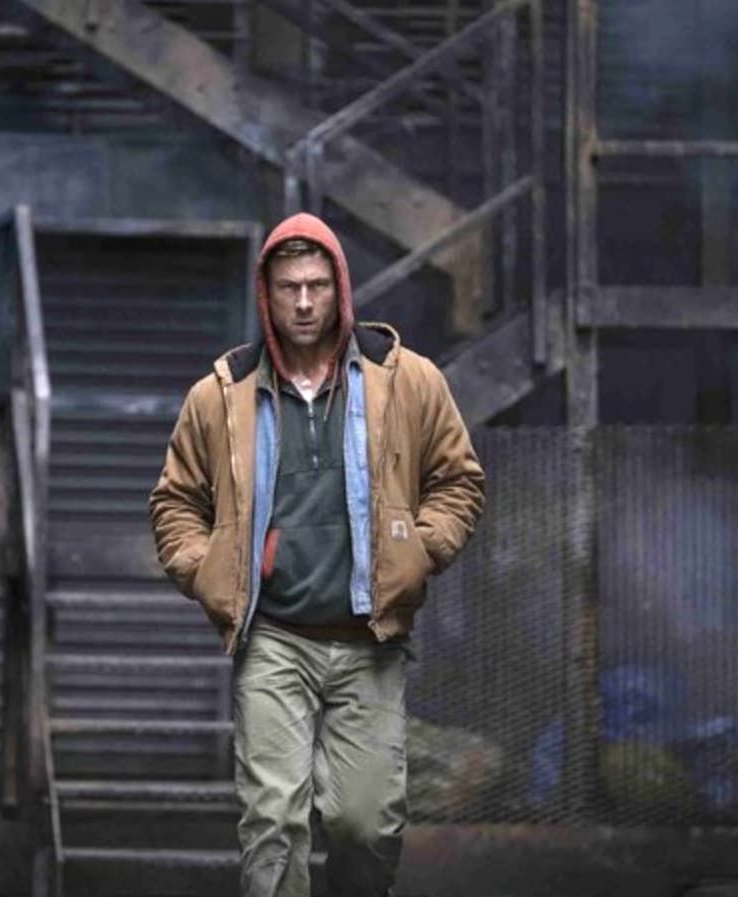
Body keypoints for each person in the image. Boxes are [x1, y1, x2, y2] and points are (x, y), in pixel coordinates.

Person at [148, 212, 486, 897]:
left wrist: (420, 551)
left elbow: (458, 481)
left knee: (364, 825)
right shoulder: (221, 396)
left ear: (341, 290)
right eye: (288, 288)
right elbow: (175, 502)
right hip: (273, 639)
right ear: (265, 296)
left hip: (370, 640)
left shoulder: (406, 379)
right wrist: (204, 570)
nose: (303, 302)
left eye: (316, 286)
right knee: (272, 823)